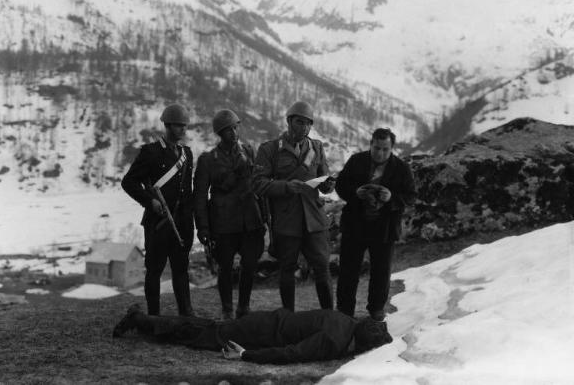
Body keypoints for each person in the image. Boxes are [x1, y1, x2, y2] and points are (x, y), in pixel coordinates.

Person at [253, 101, 336, 311]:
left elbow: (324, 181)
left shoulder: (316, 147)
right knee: (287, 269)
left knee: (322, 268)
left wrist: (327, 184)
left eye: (309, 124)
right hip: (287, 220)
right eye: (300, 122)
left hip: (314, 220)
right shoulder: (270, 149)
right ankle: (288, 317)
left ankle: (329, 315)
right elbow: (258, 184)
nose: (305, 128)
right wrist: (286, 187)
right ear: (289, 121)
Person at [112, 304, 393, 364]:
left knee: (205, 327)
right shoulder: (333, 340)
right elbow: (291, 354)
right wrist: (246, 355)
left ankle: (143, 319)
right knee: (198, 335)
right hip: (261, 333)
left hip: (268, 322)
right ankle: (138, 319)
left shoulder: (345, 320)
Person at [335, 128, 416, 321]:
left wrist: (391, 198)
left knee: (381, 270)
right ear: (370, 144)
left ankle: (376, 309)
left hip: (385, 227)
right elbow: (340, 185)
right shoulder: (356, 160)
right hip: (355, 223)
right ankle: (345, 311)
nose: (380, 153)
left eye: (385, 149)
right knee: (348, 269)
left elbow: (410, 197)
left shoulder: (402, 168)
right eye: (376, 148)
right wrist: (356, 193)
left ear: (392, 148)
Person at [121, 104, 194, 316]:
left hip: (181, 222)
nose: (183, 130)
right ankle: (154, 316)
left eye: (184, 126)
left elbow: (187, 192)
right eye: (179, 125)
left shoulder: (186, 155)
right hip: (158, 223)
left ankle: (186, 313)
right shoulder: (150, 153)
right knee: (154, 270)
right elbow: (129, 182)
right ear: (168, 125)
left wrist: (190, 222)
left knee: (181, 269)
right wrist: (149, 202)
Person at [194, 109, 265, 319]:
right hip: (223, 223)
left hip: (250, 220)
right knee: (224, 267)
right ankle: (227, 309)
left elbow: (260, 185)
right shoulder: (208, 160)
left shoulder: (249, 151)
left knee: (250, 264)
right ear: (219, 133)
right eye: (228, 130)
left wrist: (265, 217)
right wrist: (203, 227)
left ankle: (244, 307)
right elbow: (199, 196)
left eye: (235, 127)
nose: (233, 133)